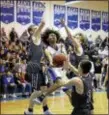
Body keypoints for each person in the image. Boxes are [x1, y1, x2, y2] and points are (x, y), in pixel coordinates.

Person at [24, 17, 51, 114]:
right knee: (37, 91)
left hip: (40, 66)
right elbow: (42, 25)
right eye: (35, 28)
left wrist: (44, 64)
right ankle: (29, 110)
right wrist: (42, 23)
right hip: (33, 67)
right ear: (31, 32)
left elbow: (42, 55)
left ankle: (46, 110)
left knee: (44, 89)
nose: (37, 29)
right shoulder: (34, 38)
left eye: (37, 28)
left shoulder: (41, 42)